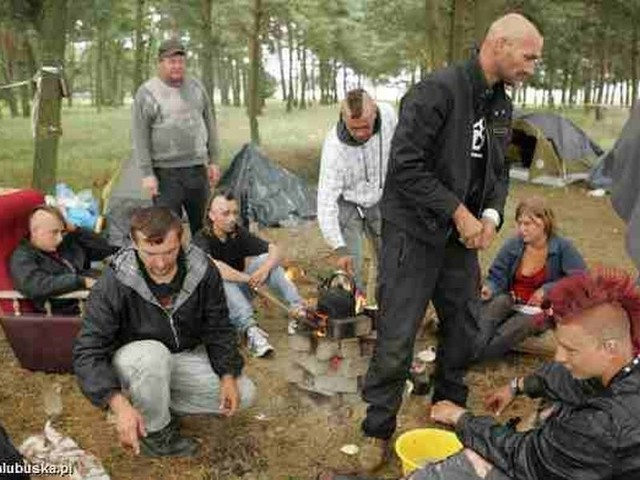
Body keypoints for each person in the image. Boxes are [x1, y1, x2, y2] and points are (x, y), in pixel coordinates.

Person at [358, 13, 544, 471]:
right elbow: (405, 165)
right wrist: (457, 212)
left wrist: (489, 215)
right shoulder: (436, 90)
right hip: (414, 235)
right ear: (498, 44)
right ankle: (376, 429)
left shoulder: (503, 105)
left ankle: (448, 415)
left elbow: (500, 171)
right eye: (529, 56)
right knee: (398, 337)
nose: (532, 67)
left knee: (462, 329)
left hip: (462, 240)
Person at [423, 270, 640, 480]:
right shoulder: (624, 361)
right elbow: (564, 379)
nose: (559, 357)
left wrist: (460, 418)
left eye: (571, 350)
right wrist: (516, 386)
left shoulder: (603, 425)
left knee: (473, 463)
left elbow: (522, 457)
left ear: (610, 348)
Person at [73, 206, 255, 457]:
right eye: (150, 253)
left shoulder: (202, 270)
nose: (160, 263)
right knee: (153, 355)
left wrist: (226, 374)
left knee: (245, 393)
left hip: (180, 358)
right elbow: (87, 352)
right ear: (135, 245)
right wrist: (118, 405)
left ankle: (154, 401)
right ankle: (156, 433)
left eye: (169, 251)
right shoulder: (115, 281)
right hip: (136, 362)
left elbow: (218, 326)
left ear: (181, 240)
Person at [193, 190, 306, 358]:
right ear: (211, 215)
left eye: (235, 213)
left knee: (266, 259)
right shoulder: (200, 239)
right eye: (226, 213)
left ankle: (297, 309)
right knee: (219, 278)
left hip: (238, 296)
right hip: (215, 307)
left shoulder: (237, 232)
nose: (232, 218)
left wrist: (264, 270)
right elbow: (216, 268)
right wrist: (249, 279)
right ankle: (250, 331)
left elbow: (274, 250)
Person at [132, 37, 221, 235]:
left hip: (197, 170)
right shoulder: (147, 92)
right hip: (165, 174)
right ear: (160, 63)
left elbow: (210, 124)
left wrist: (214, 160)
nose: (177, 66)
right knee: (168, 230)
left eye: (180, 61)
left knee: (205, 227)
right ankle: (175, 264)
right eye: (171, 61)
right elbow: (140, 136)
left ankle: (205, 263)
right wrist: (147, 174)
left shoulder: (197, 88)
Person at [479, 196, 586, 359]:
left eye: (527, 224)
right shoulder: (513, 244)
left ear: (544, 223)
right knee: (491, 312)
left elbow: (580, 280)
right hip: (512, 300)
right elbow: (496, 276)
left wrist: (547, 290)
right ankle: (469, 347)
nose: (522, 229)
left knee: (516, 328)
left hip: (542, 310)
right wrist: (490, 288)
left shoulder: (563, 247)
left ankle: (474, 354)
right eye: (519, 223)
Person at [317, 89, 397, 298]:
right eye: (354, 128)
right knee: (352, 263)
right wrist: (338, 246)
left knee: (390, 259)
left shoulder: (389, 115)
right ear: (343, 118)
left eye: (365, 126)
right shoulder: (334, 148)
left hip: (380, 197)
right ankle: (355, 309)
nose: (361, 133)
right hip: (348, 202)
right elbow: (326, 202)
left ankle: (385, 307)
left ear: (375, 114)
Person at [9, 205, 117, 314]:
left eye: (62, 231)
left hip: (100, 299)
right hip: (74, 313)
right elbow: (34, 286)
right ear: (35, 231)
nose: (60, 238)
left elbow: (107, 249)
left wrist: (76, 230)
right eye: (54, 232)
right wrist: (81, 281)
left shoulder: (66, 242)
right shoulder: (23, 257)